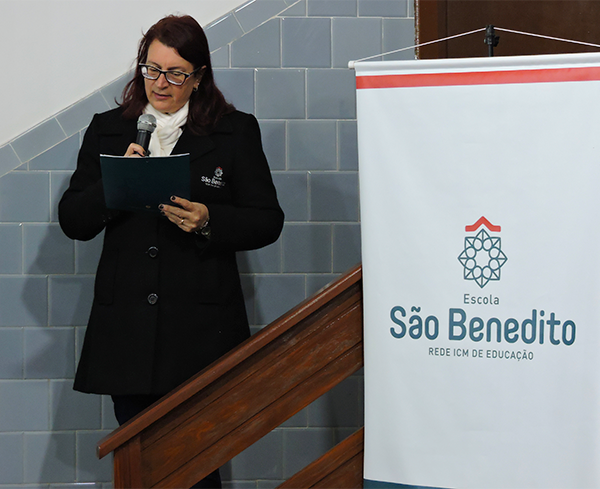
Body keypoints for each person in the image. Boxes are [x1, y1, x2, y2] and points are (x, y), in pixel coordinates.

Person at [59, 15, 284, 488]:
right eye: (152, 69)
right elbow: (73, 221)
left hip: (201, 332)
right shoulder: (108, 130)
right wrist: (113, 185)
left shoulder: (234, 131)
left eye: (176, 74)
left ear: (199, 77)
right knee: (142, 467)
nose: (161, 84)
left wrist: (209, 220)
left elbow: (268, 220)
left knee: (197, 467)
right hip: (127, 333)